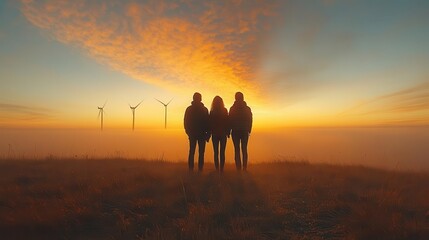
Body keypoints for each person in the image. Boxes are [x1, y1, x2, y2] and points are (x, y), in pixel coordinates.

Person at [184, 92, 209, 171]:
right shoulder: (204, 109)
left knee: (192, 152)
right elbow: (208, 122)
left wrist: (188, 131)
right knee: (201, 153)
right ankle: (200, 170)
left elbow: (186, 121)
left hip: (193, 133)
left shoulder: (189, 109)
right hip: (202, 134)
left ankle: (191, 169)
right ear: (200, 99)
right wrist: (208, 134)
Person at [229, 92, 252, 170]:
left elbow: (230, 120)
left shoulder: (232, 108)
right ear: (243, 98)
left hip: (235, 131)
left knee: (237, 150)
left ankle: (238, 168)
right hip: (244, 131)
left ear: (235, 98)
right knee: (244, 149)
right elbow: (250, 120)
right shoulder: (247, 108)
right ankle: (244, 168)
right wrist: (249, 129)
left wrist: (229, 130)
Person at [209, 96, 230, 172]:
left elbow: (210, 123)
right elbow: (227, 122)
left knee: (216, 152)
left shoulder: (212, 111)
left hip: (214, 134)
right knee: (222, 152)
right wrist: (228, 132)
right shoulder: (224, 110)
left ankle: (217, 168)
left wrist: (209, 133)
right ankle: (221, 169)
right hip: (223, 133)